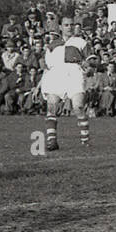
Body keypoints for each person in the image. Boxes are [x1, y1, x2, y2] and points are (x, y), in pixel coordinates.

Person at [40, 17, 90, 150]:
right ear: (61, 27)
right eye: (66, 25)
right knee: (52, 107)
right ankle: (52, 141)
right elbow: (47, 67)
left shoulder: (81, 42)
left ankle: (85, 140)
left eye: (71, 25)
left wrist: (88, 66)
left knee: (78, 106)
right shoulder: (52, 45)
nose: (69, 27)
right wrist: (39, 85)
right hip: (56, 75)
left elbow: (91, 61)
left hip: (74, 73)